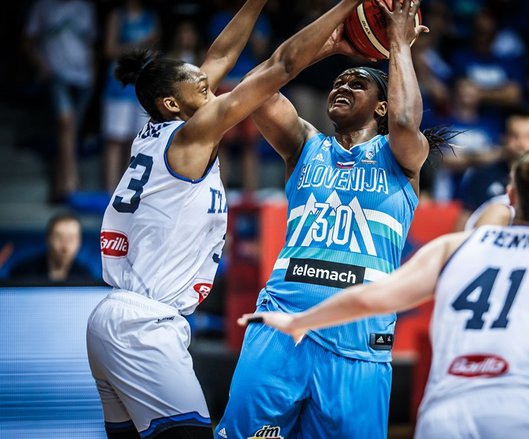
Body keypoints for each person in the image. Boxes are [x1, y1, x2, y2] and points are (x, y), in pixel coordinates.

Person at [85, 0, 367, 437]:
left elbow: (219, 57)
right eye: (198, 86)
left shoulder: (161, 128)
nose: (208, 83)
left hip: (114, 321)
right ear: (172, 102)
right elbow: (282, 64)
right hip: (144, 326)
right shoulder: (193, 134)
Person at [242, 147, 529, 438]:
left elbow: (373, 297)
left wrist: (299, 320)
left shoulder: (456, 245)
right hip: (522, 415)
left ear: (512, 196)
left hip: (445, 415)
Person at [216, 1, 448, 437]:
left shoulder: (403, 158)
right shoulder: (306, 145)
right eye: (339, 80)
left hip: (357, 342)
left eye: (357, 82)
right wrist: (325, 51)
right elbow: (253, 87)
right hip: (280, 325)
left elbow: (403, 119)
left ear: (380, 107)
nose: (342, 85)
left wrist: (399, 44)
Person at [23, 0, 97, 203]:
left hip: (82, 77)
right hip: (56, 75)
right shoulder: (43, 6)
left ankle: (59, 185)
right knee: (66, 124)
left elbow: (89, 44)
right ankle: (71, 182)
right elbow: (28, 41)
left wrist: (93, 74)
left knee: (70, 132)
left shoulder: (84, 7)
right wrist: (42, 67)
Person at [101, 0, 160, 193]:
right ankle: (111, 190)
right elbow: (110, 49)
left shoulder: (151, 17)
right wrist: (139, 46)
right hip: (119, 85)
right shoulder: (117, 16)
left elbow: (155, 52)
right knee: (115, 139)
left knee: (137, 140)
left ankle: (129, 189)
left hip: (143, 87)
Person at [454, 109, 529, 231]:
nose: (522, 144)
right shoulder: (480, 176)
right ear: (504, 138)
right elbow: (461, 229)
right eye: (515, 136)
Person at [8, 213, 96, 284]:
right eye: (59, 237)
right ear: (48, 239)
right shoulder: (22, 273)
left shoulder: (85, 277)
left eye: (71, 238)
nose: (65, 246)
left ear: (79, 242)